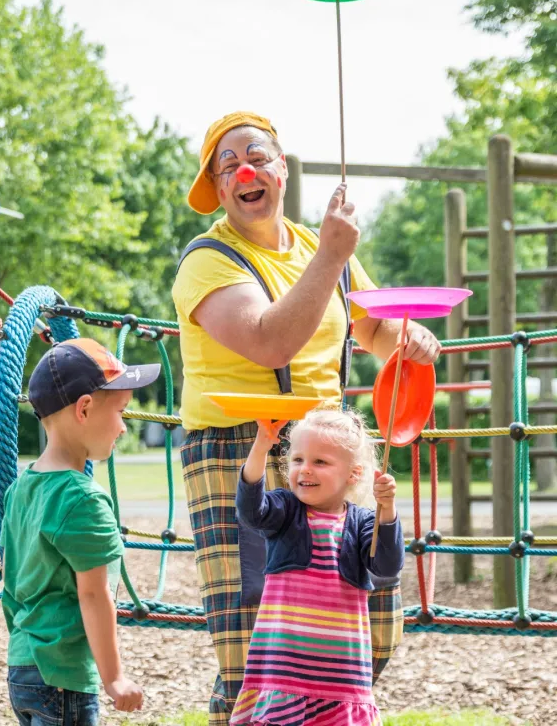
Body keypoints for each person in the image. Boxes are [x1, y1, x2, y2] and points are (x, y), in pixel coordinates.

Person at [172, 111, 440, 724]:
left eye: (258, 156)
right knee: (254, 636)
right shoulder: (207, 260)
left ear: (281, 169)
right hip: (244, 449)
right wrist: (331, 254)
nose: (246, 170)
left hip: (328, 444)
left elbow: (371, 326)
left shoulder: (322, 250)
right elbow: (271, 342)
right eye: (228, 164)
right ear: (217, 188)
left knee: (367, 615)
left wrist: (409, 336)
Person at [0, 338, 161, 725]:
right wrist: (115, 678)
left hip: (23, 667)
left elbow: (11, 581)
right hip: (64, 677)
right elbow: (93, 594)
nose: (123, 427)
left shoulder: (20, 489)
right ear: (85, 408)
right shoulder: (83, 499)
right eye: (120, 411)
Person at [231, 408, 404, 725]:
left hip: (340, 676)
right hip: (283, 671)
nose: (304, 470)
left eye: (320, 462)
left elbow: (386, 565)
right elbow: (250, 511)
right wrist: (261, 445)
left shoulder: (363, 522)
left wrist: (387, 510)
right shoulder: (285, 511)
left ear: (353, 474)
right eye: (298, 460)